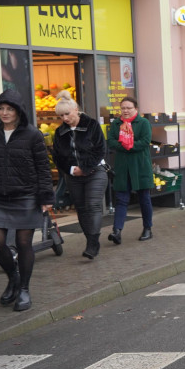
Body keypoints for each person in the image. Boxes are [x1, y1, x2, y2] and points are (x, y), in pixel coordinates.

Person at [0, 90, 54, 312]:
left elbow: (43, 168)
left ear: (18, 111)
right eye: (1, 108)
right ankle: (13, 277)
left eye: (9, 109)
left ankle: (24, 290)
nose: (4, 113)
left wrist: (47, 197)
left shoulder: (32, 134)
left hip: (26, 196)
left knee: (23, 243)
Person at [52, 96, 108, 260]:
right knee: (81, 209)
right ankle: (91, 242)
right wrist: (71, 169)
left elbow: (100, 150)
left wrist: (84, 168)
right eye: (61, 116)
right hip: (73, 175)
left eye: (67, 114)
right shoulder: (60, 132)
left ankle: (92, 243)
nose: (65, 119)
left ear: (76, 110)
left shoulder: (91, 125)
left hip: (95, 171)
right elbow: (57, 156)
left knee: (92, 205)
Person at [107, 96, 154, 243]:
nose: (125, 111)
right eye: (123, 108)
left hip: (140, 166)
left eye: (129, 108)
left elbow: (145, 141)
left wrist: (129, 145)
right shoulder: (116, 124)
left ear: (136, 109)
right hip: (122, 167)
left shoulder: (143, 123)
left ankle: (147, 228)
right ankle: (117, 231)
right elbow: (112, 141)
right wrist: (124, 145)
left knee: (144, 198)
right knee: (121, 199)